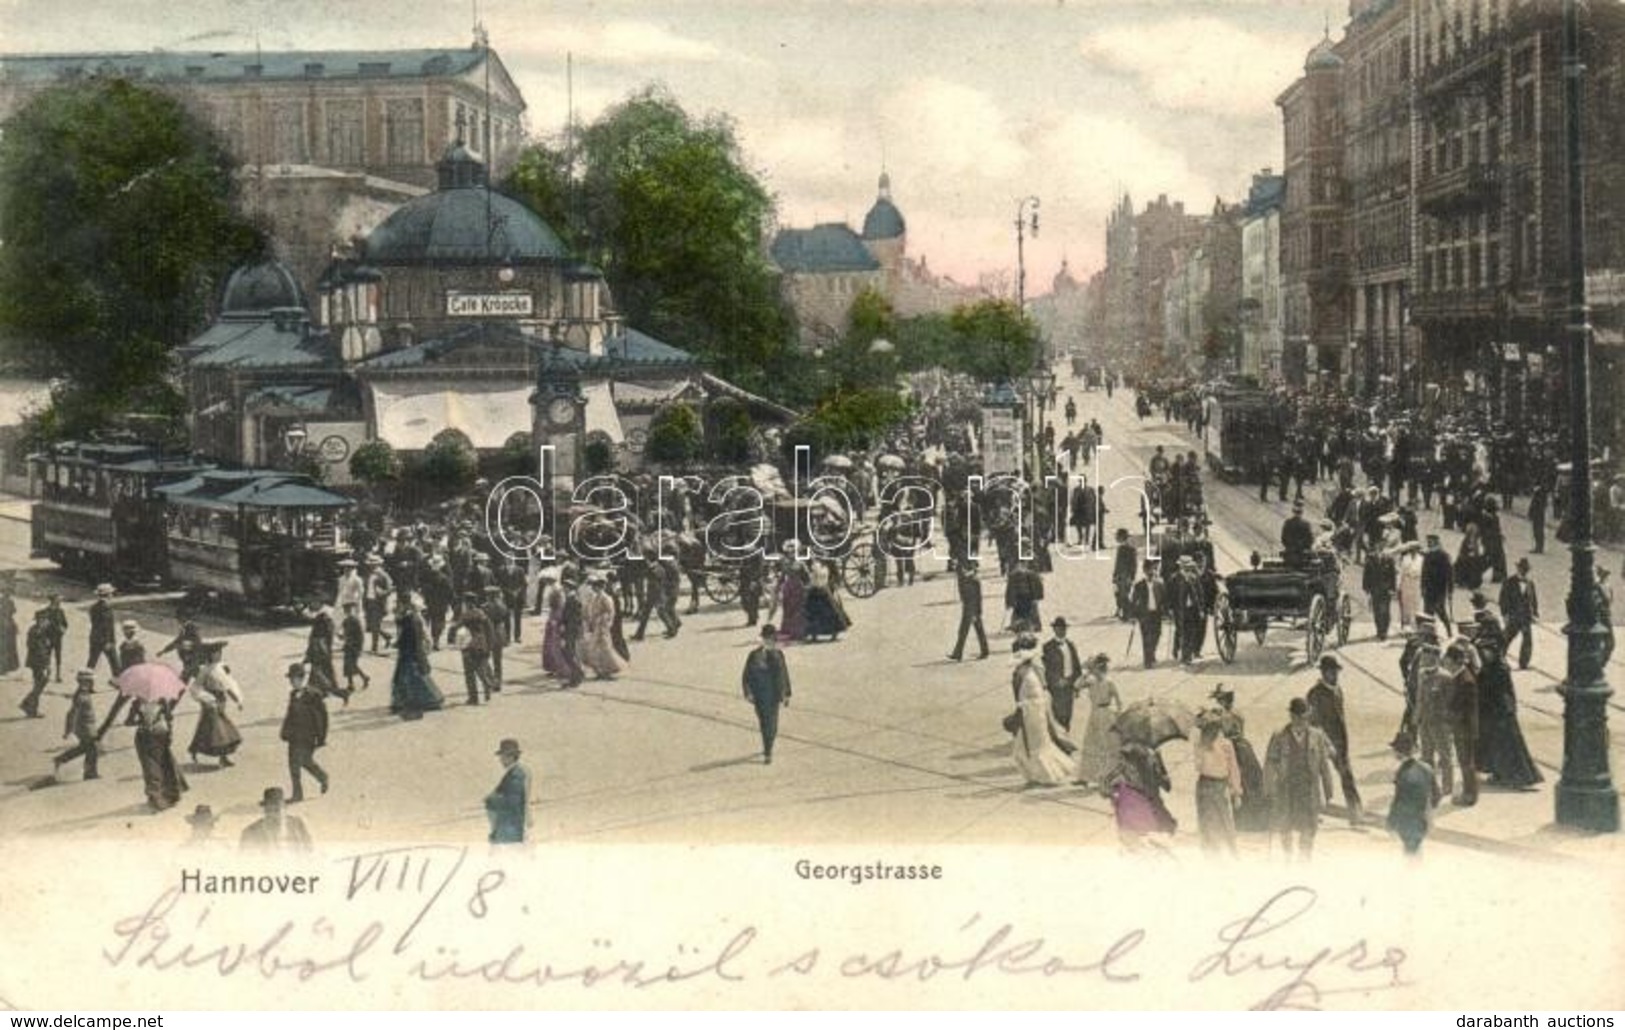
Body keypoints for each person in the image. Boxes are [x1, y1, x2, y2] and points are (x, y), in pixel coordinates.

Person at [1264, 698, 1337, 860]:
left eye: (1304, 718)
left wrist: (1328, 792)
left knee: (1309, 827)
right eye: (1297, 717)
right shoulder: (1279, 736)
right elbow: (1269, 764)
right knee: (1285, 826)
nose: (1301, 721)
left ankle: (1305, 859)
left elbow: (1324, 766)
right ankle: (1288, 858)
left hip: (1308, 790)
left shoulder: (1317, 736)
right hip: (1286, 789)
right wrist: (1268, 790)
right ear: (1291, 716)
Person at [1476, 630, 1543, 789]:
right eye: (1483, 651)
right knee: (1495, 745)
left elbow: (1505, 691)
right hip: (1491, 711)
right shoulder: (1489, 667)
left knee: (1509, 746)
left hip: (1502, 712)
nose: (1485, 654)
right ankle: (1499, 773)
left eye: (1487, 651)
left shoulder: (1500, 668)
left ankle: (1518, 776)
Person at [1009, 635, 1075, 787]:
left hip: (1032, 715)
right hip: (1032, 714)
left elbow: (1035, 698)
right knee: (1025, 748)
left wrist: (1021, 709)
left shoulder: (1028, 675)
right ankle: (1035, 777)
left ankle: (1043, 777)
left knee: (1031, 747)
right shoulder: (1029, 672)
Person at [1306, 655, 1364, 826]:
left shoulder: (1337, 689)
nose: (1335, 675)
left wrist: (1342, 744)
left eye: (1336, 672)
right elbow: (1314, 723)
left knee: (1347, 777)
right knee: (1315, 778)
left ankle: (1356, 814)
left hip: (1340, 742)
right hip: (1322, 743)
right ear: (1324, 673)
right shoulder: (1315, 694)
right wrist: (1327, 745)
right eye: (1332, 672)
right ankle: (1312, 812)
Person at [1210, 686, 1268, 832]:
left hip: (1234, 748)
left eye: (1220, 700)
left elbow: (1223, 730)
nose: (1219, 703)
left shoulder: (1226, 716)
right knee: (1251, 780)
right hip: (1243, 746)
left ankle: (1243, 820)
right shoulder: (1236, 713)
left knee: (1237, 781)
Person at [1103, 741, 1177, 849]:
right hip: (1155, 820)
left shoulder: (1123, 761)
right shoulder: (1153, 757)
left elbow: (1105, 787)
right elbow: (1167, 786)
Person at [1193, 710, 1242, 856]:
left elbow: (1233, 768)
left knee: (1225, 821)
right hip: (1204, 785)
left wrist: (1236, 792)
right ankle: (1211, 855)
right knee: (1207, 823)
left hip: (1220, 786)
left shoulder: (1226, 744)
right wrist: (1203, 747)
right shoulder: (1200, 744)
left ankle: (1232, 853)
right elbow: (1198, 766)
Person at [186, 641, 243, 768]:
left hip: (221, 701)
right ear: (209, 655)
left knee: (207, 730)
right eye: (216, 653)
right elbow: (195, 688)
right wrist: (207, 698)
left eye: (220, 652)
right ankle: (222, 758)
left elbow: (228, 686)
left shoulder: (221, 668)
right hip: (211, 703)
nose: (219, 655)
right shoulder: (204, 670)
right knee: (219, 731)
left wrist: (237, 700)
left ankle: (195, 750)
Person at [279, 663, 330, 802]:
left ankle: (322, 777)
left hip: (308, 736)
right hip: (294, 736)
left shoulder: (313, 695)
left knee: (303, 761)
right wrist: (285, 730)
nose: (291, 682)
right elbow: (290, 715)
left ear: (301, 678)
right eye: (290, 679)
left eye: (293, 679)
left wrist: (321, 737)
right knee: (294, 764)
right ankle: (298, 793)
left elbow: (322, 717)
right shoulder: (293, 694)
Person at [742, 623, 791, 764]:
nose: (770, 641)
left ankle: (768, 748)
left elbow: (784, 675)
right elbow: (746, 675)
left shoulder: (779, 655)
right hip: (759, 695)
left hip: (774, 695)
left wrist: (786, 694)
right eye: (767, 638)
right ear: (763, 638)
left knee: (772, 725)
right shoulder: (754, 655)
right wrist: (748, 692)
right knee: (765, 723)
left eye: (772, 638)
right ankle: (768, 748)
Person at [390, 593, 444, 719]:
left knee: (410, 680)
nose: (397, 606)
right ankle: (421, 703)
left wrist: (399, 644)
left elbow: (410, 636)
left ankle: (414, 707)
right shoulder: (412, 616)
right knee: (412, 678)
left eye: (399, 604)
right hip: (410, 652)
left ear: (404, 604)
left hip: (410, 653)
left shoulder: (410, 618)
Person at [1439, 641, 1480, 807]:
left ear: (1455, 662)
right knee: (1465, 761)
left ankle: (1470, 795)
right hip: (1462, 727)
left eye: (1447, 661)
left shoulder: (1465, 681)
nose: (1445, 664)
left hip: (1465, 729)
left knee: (1466, 762)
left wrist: (1448, 719)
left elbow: (1464, 711)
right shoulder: (1459, 677)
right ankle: (1468, 793)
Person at [1073, 653, 1121, 787]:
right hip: (1094, 714)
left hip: (1106, 714)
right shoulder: (1091, 681)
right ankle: (1085, 776)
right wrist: (1086, 673)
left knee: (1106, 745)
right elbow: (1076, 685)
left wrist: (1118, 714)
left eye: (1096, 669)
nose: (1096, 672)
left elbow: (1118, 700)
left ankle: (1108, 777)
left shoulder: (1109, 682)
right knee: (1090, 743)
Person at [1386, 731, 1436, 858]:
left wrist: (1391, 822)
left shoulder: (1401, 773)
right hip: (1424, 819)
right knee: (1416, 849)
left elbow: (1398, 801)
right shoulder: (1427, 768)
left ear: (1398, 752)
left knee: (1410, 853)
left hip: (1408, 822)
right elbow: (1437, 794)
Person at [133, 698, 187, 812]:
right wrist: (169, 734)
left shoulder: (137, 702)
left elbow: (128, 721)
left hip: (144, 735)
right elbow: (169, 718)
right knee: (165, 762)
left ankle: (155, 797)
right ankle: (171, 794)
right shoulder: (162, 700)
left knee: (150, 765)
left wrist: (141, 720)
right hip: (161, 732)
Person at [450, 594, 498, 704]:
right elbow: (489, 628)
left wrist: (453, 631)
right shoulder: (481, 613)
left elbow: (457, 627)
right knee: (480, 668)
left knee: (469, 672)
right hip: (481, 643)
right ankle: (486, 684)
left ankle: (473, 697)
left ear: (466, 603)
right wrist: (489, 644)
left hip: (468, 644)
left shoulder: (465, 615)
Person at [52, 670, 101, 780]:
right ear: (84, 682)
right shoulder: (81, 696)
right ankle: (90, 773)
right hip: (85, 727)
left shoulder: (83, 693)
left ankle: (61, 759)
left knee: (84, 748)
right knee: (92, 748)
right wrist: (68, 730)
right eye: (90, 681)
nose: (93, 683)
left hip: (86, 725)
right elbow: (72, 713)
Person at [485, 738, 532, 844]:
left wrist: (491, 799)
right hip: (509, 826)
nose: (500, 760)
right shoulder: (514, 772)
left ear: (510, 757)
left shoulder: (516, 774)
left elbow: (512, 802)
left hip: (511, 827)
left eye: (502, 757)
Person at [239, 787, 314, 852]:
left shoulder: (297, 825)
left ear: (284, 808)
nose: (274, 814)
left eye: (277, 809)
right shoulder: (250, 832)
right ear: (265, 810)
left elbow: (309, 852)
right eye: (270, 809)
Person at [1041, 617, 1083, 731]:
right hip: (1057, 686)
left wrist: (1076, 682)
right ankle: (1060, 735)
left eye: (1064, 628)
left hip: (1069, 684)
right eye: (1059, 628)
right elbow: (1047, 668)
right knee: (1058, 713)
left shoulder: (1070, 645)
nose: (1062, 631)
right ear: (1054, 630)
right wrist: (1056, 680)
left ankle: (1066, 731)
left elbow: (1077, 666)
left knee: (1068, 712)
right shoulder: (1048, 647)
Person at [1499, 557, 1539, 671]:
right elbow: (1503, 600)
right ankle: (1499, 658)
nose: (1524, 572)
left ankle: (1524, 663)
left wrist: (1535, 613)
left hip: (1526, 616)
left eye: (1526, 570)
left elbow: (1533, 599)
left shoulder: (1530, 583)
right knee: (1507, 638)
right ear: (1518, 569)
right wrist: (1505, 615)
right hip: (1514, 616)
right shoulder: (1509, 582)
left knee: (1527, 640)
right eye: (1522, 569)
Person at [947, 559, 989, 661]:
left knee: (963, 631)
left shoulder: (972, 580)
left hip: (971, 608)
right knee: (977, 629)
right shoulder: (965, 577)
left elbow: (977, 597)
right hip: (969, 607)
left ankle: (958, 653)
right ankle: (984, 651)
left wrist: (976, 612)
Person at [1129, 558, 1166, 668]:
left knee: (1157, 634)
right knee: (1146, 638)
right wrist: (1133, 616)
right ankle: (1147, 661)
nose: (1151, 572)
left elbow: (1164, 598)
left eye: (1153, 570)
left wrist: (1166, 610)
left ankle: (1152, 654)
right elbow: (1134, 601)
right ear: (1144, 571)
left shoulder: (1159, 583)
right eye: (1149, 570)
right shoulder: (1139, 585)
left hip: (1156, 614)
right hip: (1145, 615)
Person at [1421, 534, 1455, 636]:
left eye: (1431, 542)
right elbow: (1424, 572)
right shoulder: (1427, 555)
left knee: (1440, 610)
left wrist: (1450, 590)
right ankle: (1429, 633)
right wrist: (1422, 587)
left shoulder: (1444, 555)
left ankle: (1449, 631)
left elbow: (1450, 574)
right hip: (1429, 588)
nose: (1429, 543)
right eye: (1428, 542)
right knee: (1427, 612)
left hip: (1440, 588)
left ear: (1436, 542)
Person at [20, 609, 52, 718]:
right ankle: (29, 706)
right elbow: (38, 649)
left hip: (37, 661)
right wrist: (46, 664)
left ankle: (29, 705)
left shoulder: (39, 630)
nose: (47, 622)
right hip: (37, 662)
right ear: (40, 620)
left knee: (40, 683)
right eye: (45, 619)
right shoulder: (36, 631)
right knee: (40, 683)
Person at [1364, 544, 1397, 641]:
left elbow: (1392, 575)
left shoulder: (1389, 560)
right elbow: (1366, 575)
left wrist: (1392, 588)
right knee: (1376, 611)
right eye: (1377, 550)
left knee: (1385, 611)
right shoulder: (1370, 560)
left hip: (1385, 590)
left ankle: (1384, 632)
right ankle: (1379, 630)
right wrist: (1366, 587)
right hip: (1375, 590)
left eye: (1380, 550)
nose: (1378, 552)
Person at [1004, 559, 1044, 634]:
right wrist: (1009, 602)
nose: (1020, 567)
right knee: (1018, 612)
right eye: (1019, 565)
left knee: (1032, 612)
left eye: (1022, 564)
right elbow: (1010, 589)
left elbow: (1038, 585)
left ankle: (1034, 625)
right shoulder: (1013, 575)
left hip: (1029, 596)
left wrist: (1037, 597)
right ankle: (1018, 626)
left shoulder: (1031, 574)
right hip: (1019, 597)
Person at [86, 584, 118, 675]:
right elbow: (106, 626)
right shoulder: (107, 608)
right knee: (115, 662)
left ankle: (85, 681)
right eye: (111, 594)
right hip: (105, 639)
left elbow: (95, 623)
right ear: (108, 595)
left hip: (94, 638)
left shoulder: (94, 607)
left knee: (92, 661)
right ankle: (119, 682)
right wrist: (108, 640)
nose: (112, 595)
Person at [1112, 528, 1137, 622]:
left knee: (1124, 595)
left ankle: (1127, 614)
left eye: (1118, 536)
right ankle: (1121, 610)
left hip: (1126, 576)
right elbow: (1117, 563)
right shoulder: (1120, 548)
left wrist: (1132, 576)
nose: (1116, 538)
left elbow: (1134, 564)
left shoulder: (1130, 549)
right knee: (1118, 593)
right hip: (1120, 575)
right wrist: (1114, 575)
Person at [1281, 499, 1315, 566]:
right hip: (1302, 557)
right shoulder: (1306, 524)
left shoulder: (1288, 523)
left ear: (1293, 511)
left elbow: (1284, 539)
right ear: (1302, 512)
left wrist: (1291, 547)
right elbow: (1310, 540)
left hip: (1289, 555)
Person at [0, 582, 18, 677]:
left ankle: (7, 666)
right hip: (3, 624)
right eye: (6, 592)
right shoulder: (3, 601)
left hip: (8, 624)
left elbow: (13, 611)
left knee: (9, 646)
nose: (8, 594)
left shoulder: (10, 602)